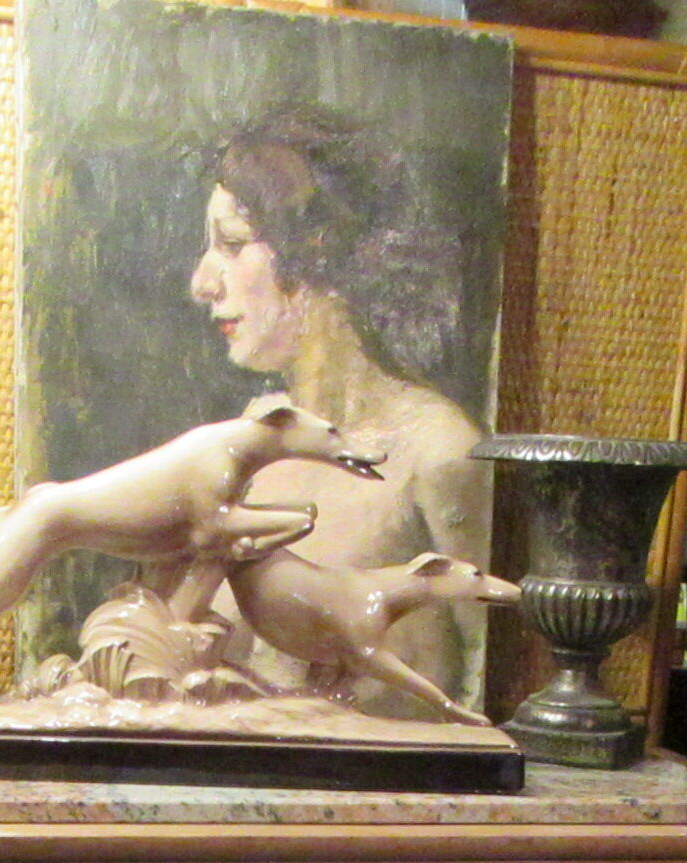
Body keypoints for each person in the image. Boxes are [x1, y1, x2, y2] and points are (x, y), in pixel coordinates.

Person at [186, 110, 494, 716]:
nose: (202, 282)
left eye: (233, 244)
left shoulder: (437, 449)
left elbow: (486, 686)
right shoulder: (248, 441)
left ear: (315, 246)